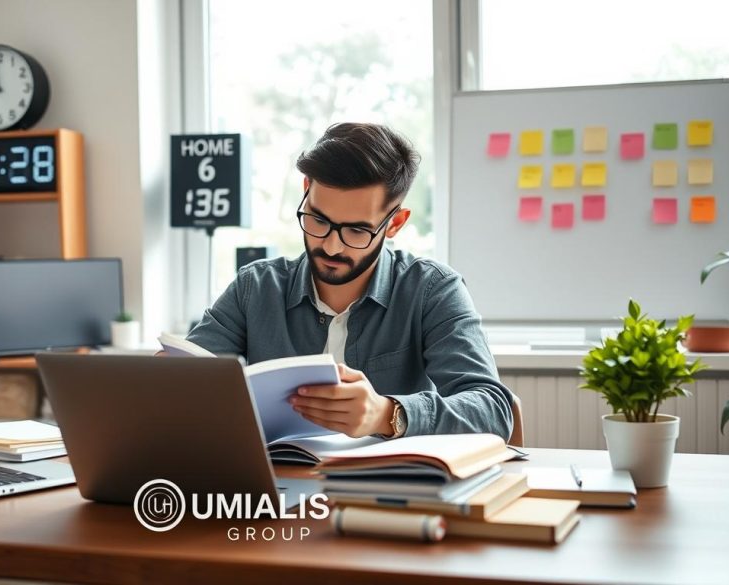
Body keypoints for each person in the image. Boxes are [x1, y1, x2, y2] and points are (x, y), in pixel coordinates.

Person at [187, 122, 514, 441]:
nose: (331, 246)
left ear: (394, 223)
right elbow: (186, 383)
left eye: (356, 230)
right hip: (278, 485)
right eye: (318, 220)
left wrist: (387, 414)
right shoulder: (254, 288)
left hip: (390, 490)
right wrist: (168, 382)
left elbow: (494, 410)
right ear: (306, 193)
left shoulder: (433, 290)